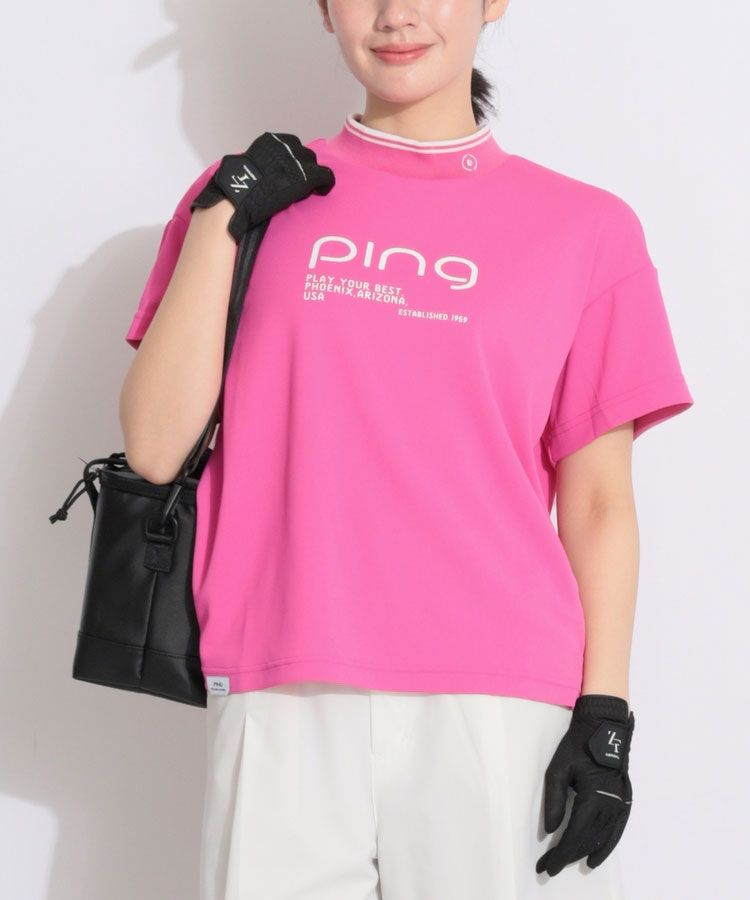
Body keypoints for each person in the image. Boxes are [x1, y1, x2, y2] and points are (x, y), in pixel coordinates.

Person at [119, 1, 695, 897]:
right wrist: (221, 215)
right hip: (281, 681)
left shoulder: (586, 228)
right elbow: (157, 450)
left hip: (499, 697)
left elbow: (598, 502)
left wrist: (606, 714)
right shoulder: (245, 202)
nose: (395, 15)